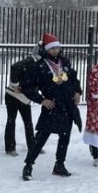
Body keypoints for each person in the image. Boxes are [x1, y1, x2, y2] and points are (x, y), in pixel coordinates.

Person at [20, 33, 82, 181]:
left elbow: (74, 79)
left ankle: (59, 165)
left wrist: (78, 92)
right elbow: (26, 86)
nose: (55, 50)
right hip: (52, 107)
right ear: (46, 49)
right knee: (41, 138)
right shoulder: (40, 66)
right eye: (52, 48)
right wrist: (41, 100)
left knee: (64, 137)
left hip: (67, 106)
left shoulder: (65, 62)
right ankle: (28, 165)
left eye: (57, 47)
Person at [4, 44, 41, 156]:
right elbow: (15, 66)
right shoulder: (30, 61)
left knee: (28, 122)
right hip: (13, 95)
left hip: (24, 98)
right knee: (12, 120)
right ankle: (10, 148)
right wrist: (14, 84)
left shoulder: (40, 64)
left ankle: (32, 145)